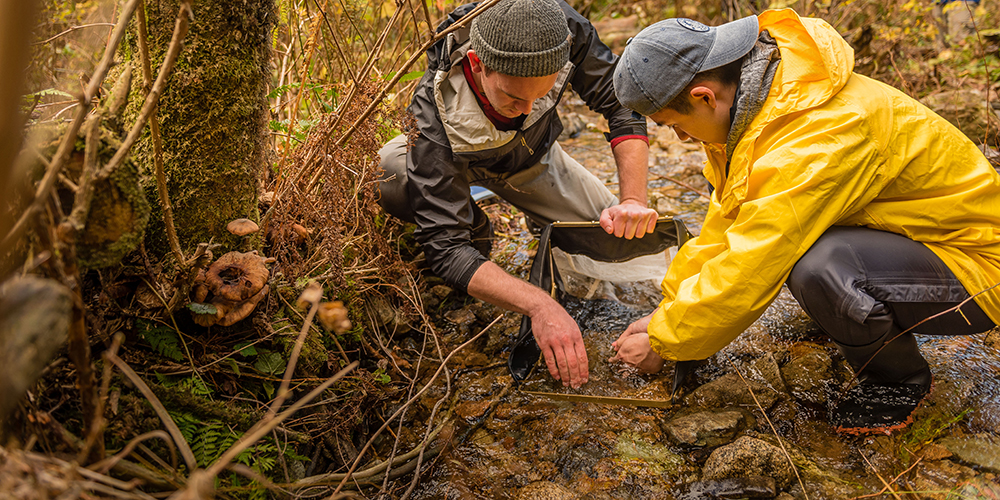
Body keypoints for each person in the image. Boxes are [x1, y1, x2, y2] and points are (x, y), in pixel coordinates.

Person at [608, 11, 1000, 434]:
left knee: (818, 267)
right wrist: (668, 309)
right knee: (808, 252)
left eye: (677, 127)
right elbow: (727, 226)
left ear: (705, 97)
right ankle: (861, 319)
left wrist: (666, 341)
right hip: (918, 243)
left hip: (978, 270)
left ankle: (898, 382)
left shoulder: (816, 136)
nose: (683, 139)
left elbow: (754, 260)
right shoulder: (759, 111)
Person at [377, 0, 659, 389]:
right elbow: (444, 248)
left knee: (623, 247)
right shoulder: (434, 109)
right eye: (513, 98)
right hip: (458, 169)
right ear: (477, 64)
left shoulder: (561, 30)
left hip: (536, 159)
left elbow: (621, 104)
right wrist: (539, 304)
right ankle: (477, 227)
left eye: (538, 96)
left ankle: (544, 219)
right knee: (389, 171)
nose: (526, 111)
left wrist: (633, 202)